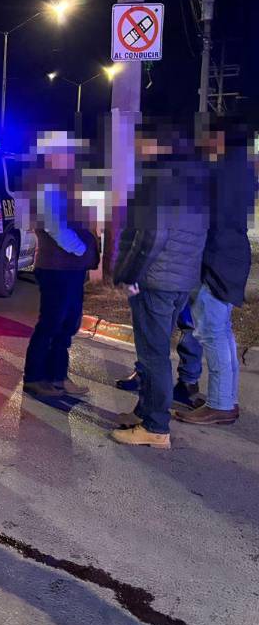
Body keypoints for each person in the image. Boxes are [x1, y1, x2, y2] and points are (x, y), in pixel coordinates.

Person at [110, 126, 210, 448]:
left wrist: (127, 274)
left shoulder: (159, 180)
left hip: (155, 280)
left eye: (140, 142)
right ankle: (146, 412)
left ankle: (155, 426)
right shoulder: (194, 181)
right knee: (156, 353)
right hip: (179, 281)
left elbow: (150, 236)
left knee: (153, 356)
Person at [174, 123, 257, 425]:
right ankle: (226, 400)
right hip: (231, 257)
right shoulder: (241, 170)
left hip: (217, 260)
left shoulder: (222, 174)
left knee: (212, 332)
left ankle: (220, 404)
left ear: (220, 138)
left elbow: (204, 218)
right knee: (221, 331)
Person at [22, 134, 100, 401]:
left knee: (67, 323)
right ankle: (35, 378)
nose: (71, 158)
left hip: (70, 267)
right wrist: (80, 250)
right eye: (66, 153)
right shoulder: (46, 184)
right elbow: (54, 226)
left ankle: (58, 376)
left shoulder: (65, 182)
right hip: (57, 266)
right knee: (51, 323)